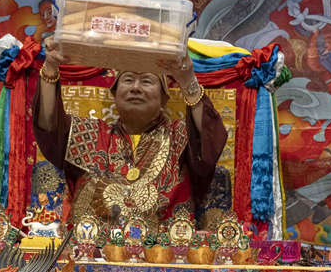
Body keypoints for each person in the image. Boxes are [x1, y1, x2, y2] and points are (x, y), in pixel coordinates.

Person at [33, 34, 227, 231]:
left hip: (165, 246)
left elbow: (209, 140)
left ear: (164, 98)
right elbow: (49, 126)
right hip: (91, 246)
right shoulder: (90, 134)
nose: (136, 88)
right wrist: (51, 67)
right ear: (114, 94)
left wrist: (187, 81)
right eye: (128, 79)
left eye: (147, 81)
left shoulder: (180, 136)